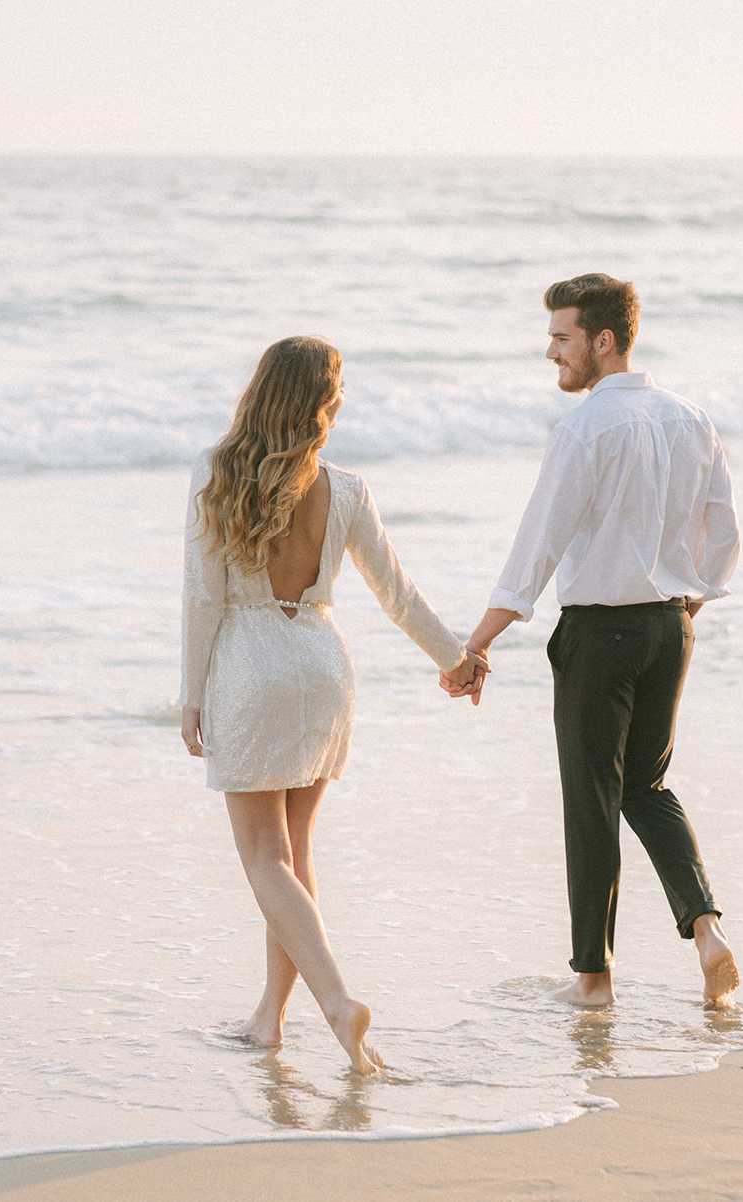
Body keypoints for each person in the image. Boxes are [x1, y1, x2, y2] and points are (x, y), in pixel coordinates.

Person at [180, 335, 485, 1074]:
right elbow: (396, 592)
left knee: (263, 858)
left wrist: (190, 698)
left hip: (252, 668)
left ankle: (337, 1004)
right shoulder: (344, 488)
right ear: (321, 403)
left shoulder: (218, 474)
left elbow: (203, 596)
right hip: (321, 665)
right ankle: (267, 1020)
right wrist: (457, 659)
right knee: (293, 856)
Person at [446, 275, 741, 1007]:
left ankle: (594, 981)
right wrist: (680, 609)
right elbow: (724, 533)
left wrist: (477, 643)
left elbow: (535, 548)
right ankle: (706, 930)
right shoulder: (689, 417)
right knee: (645, 786)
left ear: (601, 341)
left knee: (590, 799)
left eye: (561, 337)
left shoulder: (584, 428)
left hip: (599, 632)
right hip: (669, 627)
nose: (550, 352)